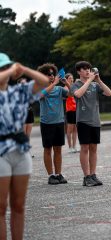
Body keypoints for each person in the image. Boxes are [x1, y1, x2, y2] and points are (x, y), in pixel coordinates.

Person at [0, 53, 49, 240]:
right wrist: (12, 69)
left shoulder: (18, 91)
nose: (6, 71)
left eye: (7, 67)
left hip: (20, 151)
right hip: (1, 151)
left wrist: (24, 69)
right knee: (1, 207)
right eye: (2, 68)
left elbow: (44, 81)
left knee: (19, 205)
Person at [70, 61, 111, 187]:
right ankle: (86, 176)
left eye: (88, 68)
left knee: (94, 148)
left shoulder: (94, 84)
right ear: (78, 72)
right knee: (85, 148)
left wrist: (98, 80)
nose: (87, 71)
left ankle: (93, 175)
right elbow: (77, 94)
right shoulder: (75, 84)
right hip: (83, 121)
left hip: (95, 120)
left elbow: (109, 93)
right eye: (84, 69)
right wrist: (89, 80)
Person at [38, 63, 70, 185]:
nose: (51, 76)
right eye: (48, 74)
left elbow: (72, 94)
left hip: (59, 122)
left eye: (52, 74)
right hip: (46, 123)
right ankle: (51, 175)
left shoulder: (59, 89)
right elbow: (40, 96)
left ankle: (58, 173)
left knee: (58, 149)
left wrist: (66, 83)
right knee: (47, 149)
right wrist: (54, 83)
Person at [65, 73, 78, 153]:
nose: (72, 79)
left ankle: (74, 146)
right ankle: (70, 147)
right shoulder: (65, 88)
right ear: (66, 80)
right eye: (70, 78)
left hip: (76, 110)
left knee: (75, 130)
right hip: (70, 110)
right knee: (69, 129)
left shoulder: (75, 87)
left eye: (72, 78)